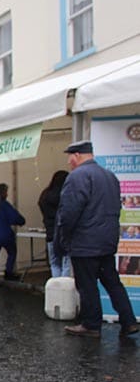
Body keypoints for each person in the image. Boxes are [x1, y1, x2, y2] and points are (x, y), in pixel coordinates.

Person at [54, 140, 138, 338]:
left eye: (70, 156)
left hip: (85, 242)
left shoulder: (78, 177)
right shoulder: (109, 176)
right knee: (112, 282)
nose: (68, 161)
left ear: (77, 155)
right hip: (106, 242)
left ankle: (91, 324)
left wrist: (64, 238)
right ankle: (129, 321)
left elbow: (69, 212)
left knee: (87, 284)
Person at [0, 183, 25, 286]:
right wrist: (21, 222)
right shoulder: (4, 205)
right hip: (4, 235)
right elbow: (15, 218)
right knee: (12, 252)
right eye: (6, 192)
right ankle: (8, 272)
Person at [38, 170, 71, 277]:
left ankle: (56, 289)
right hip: (65, 234)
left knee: (54, 263)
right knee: (66, 264)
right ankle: (64, 290)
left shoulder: (44, 195)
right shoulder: (66, 195)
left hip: (50, 234)